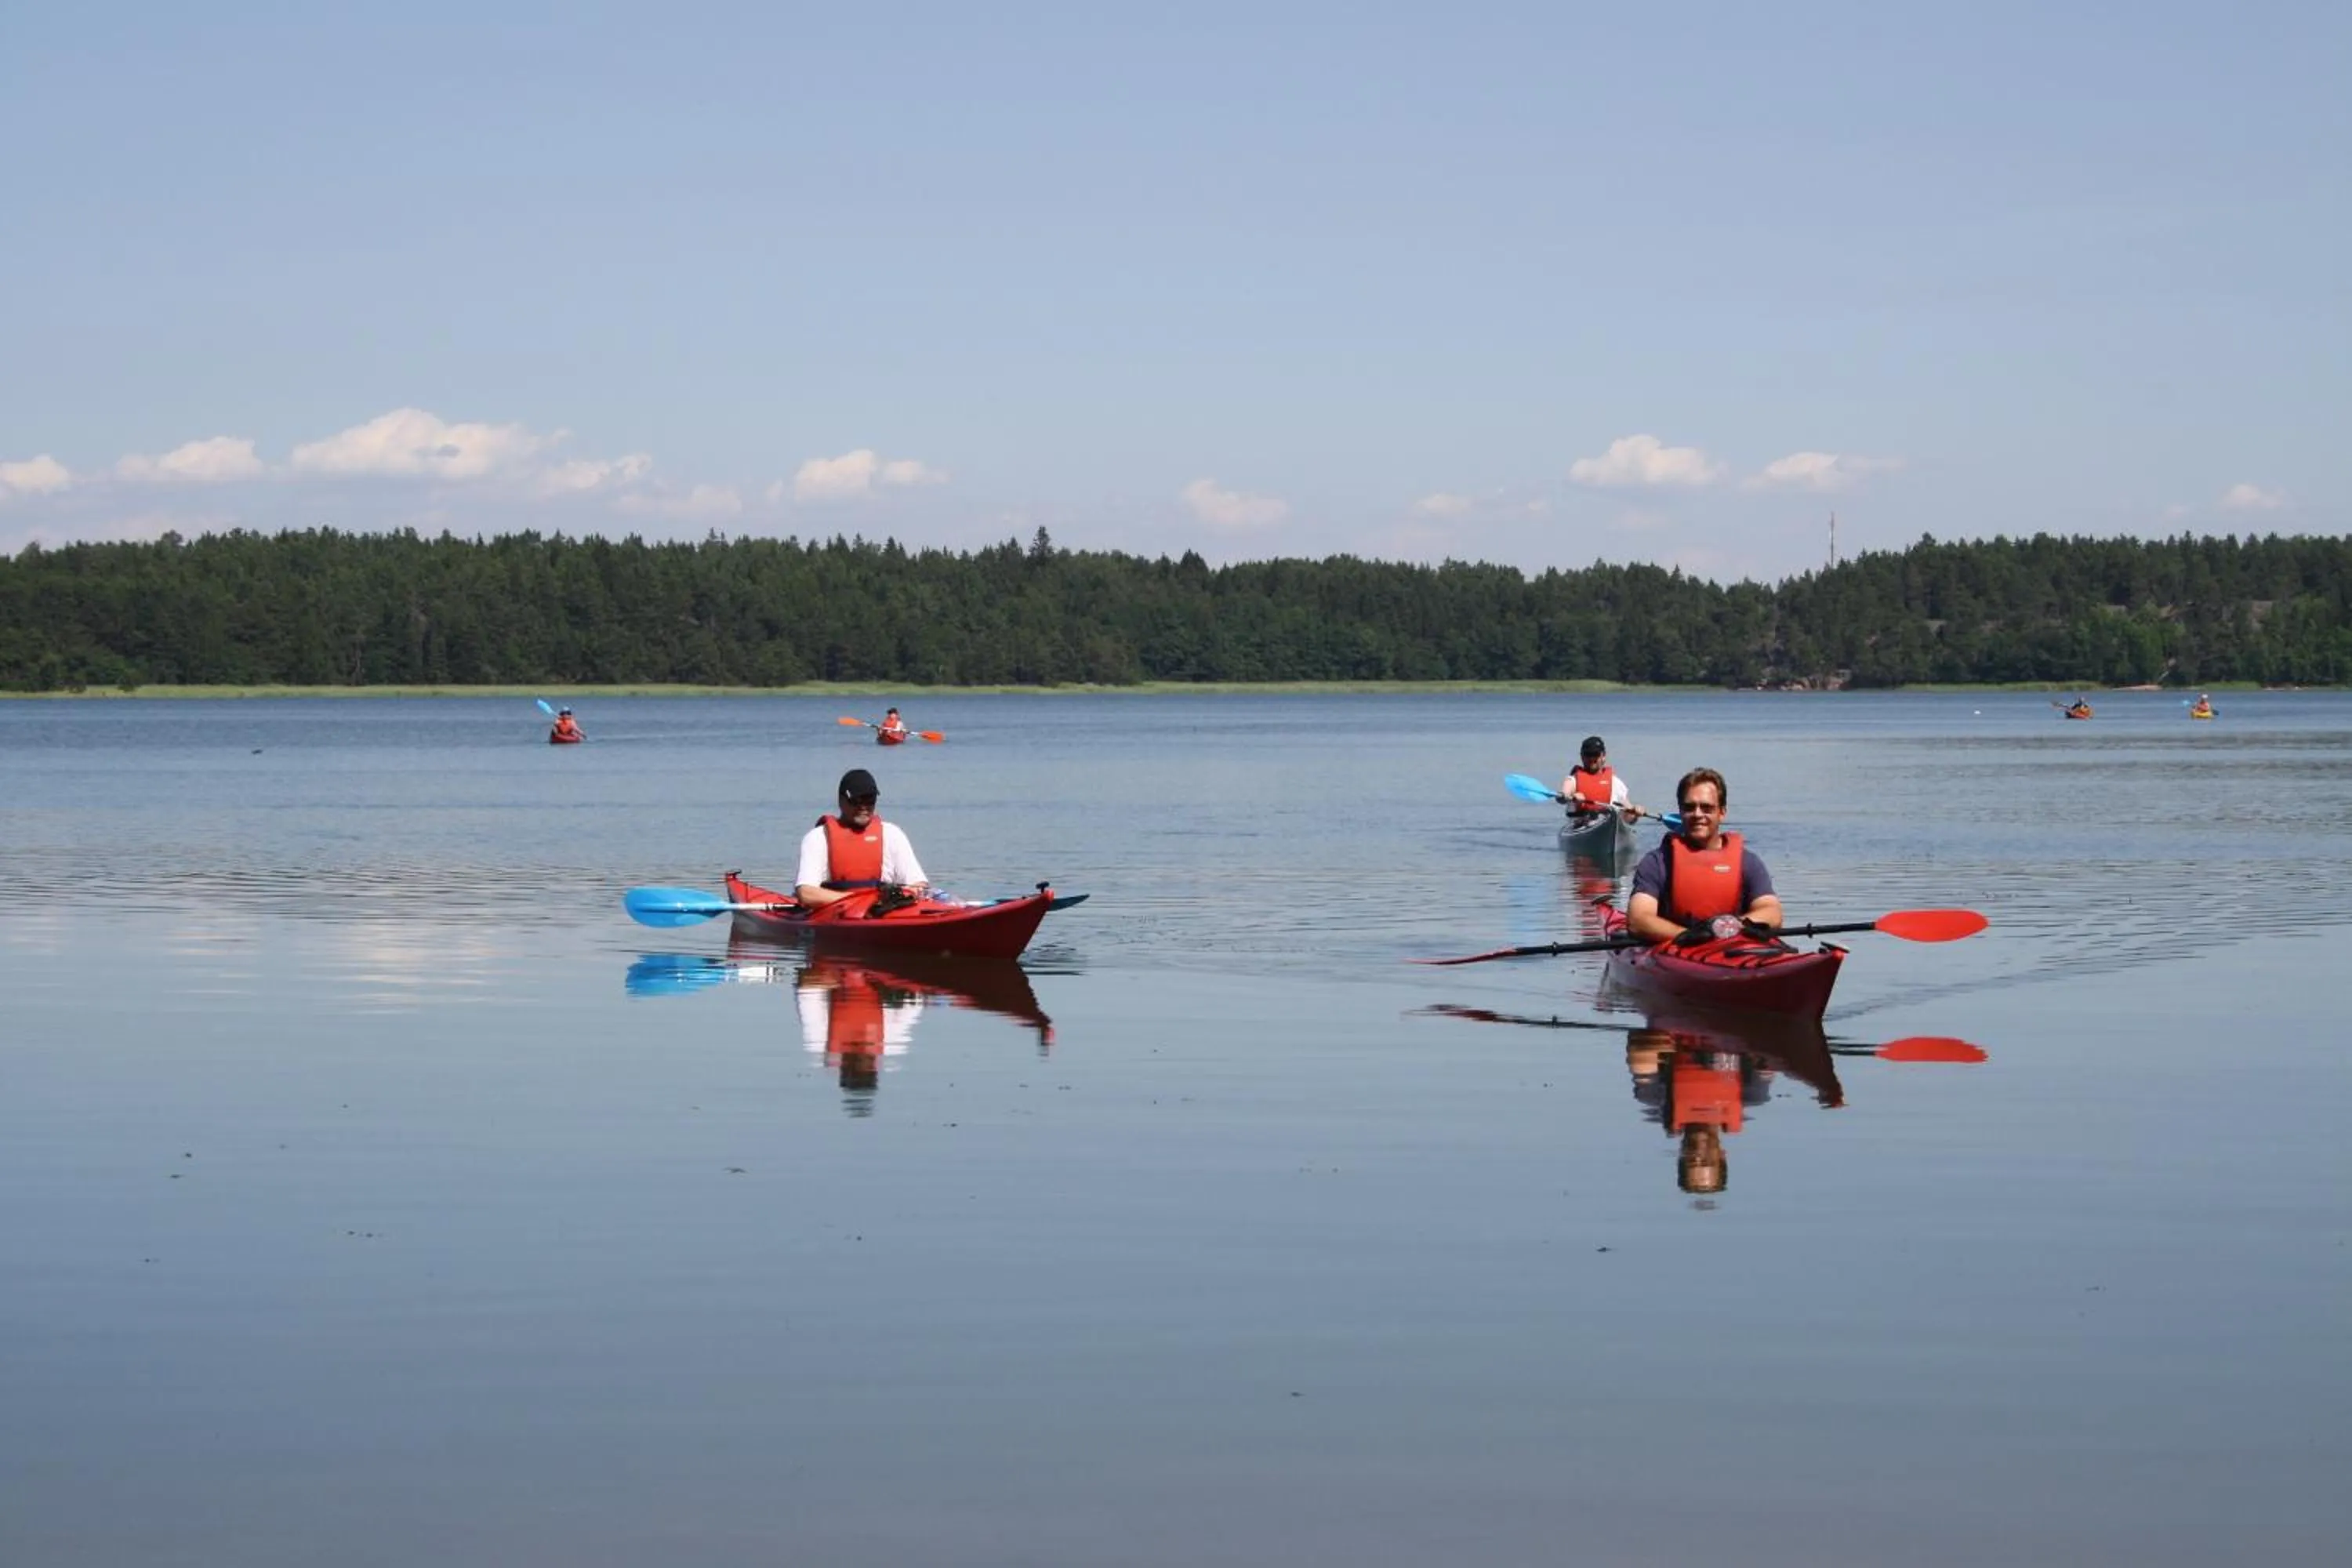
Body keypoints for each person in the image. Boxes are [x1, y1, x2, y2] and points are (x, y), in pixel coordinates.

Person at [1625, 767, 1783, 944]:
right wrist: (1689, 936)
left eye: (1707, 808)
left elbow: (1772, 912)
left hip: (1734, 945)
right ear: (1680, 812)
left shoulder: (1748, 862)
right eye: (1689, 808)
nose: (1698, 814)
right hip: (1676, 950)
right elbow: (1638, 920)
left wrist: (1728, 928)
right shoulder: (1657, 862)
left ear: (1722, 812)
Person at [795, 768, 928, 907]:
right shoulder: (818, 838)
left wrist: (902, 896)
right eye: (856, 800)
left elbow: (919, 885)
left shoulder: (892, 834)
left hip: (884, 911)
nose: (864, 807)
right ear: (841, 800)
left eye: (870, 799)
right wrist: (863, 901)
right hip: (834, 914)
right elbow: (806, 894)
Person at [1561, 735, 1641, 820]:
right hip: (1579, 824)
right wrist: (1572, 796)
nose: (1592, 759)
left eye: (1596, 754)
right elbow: (1561, 798)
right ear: (1582, 756)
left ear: (1603, 756)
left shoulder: (1615, 782)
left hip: (1606, 821)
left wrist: (1635, 812)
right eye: (1588, 754)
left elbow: (1629, 815)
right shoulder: (1572, 780)